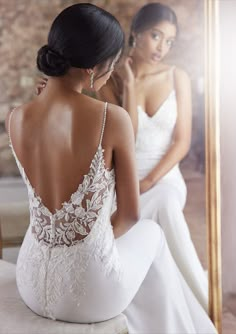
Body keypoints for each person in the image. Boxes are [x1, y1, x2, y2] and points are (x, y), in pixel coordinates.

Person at [7, 3, 216, 333]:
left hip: (30, 281)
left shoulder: (16, 116)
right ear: (96, 67)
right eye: (113, 63)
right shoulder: (110, 118)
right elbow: (130, 216)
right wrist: (88, 243)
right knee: (152, 235)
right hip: (87, 295)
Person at [97, 2, 208, 311]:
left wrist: (148, 180)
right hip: (124, 180)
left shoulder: (178, 76)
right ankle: (152, 303)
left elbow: (182, 142)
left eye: (169, 41)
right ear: (137, 34)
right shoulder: (112, 79)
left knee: (167, 203)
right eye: (156, 36)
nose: (163, 47)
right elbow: (126, 140)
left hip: (164, 176)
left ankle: (200, 300)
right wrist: (130, 87)